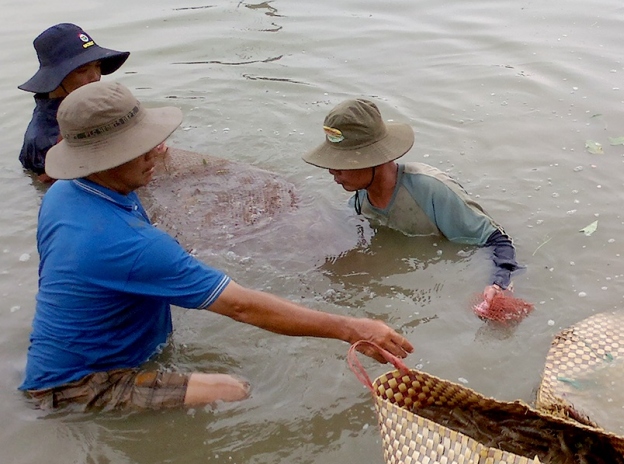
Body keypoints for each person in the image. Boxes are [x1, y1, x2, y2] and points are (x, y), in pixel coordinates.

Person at [19, 81, 414, 411]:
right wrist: (352, 328)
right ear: (104, 159)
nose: (160, 151)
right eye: (142, 147)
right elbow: (242, 306)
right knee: (233, 390)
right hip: (75, 388)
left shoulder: (65, 194)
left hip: (69, 355)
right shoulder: (129, 245)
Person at [302, 98, 523, 312]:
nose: (332, 170)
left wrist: (498, 284)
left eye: (341, 163)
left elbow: (498, 241)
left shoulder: (431, 190)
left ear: (373, 160)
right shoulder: (359, 200)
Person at [18, 23, 130, 183]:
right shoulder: (45, 140)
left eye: (97, 66)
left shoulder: (88, 105)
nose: (95, 77)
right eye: (82, 71)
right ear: (56, 77)